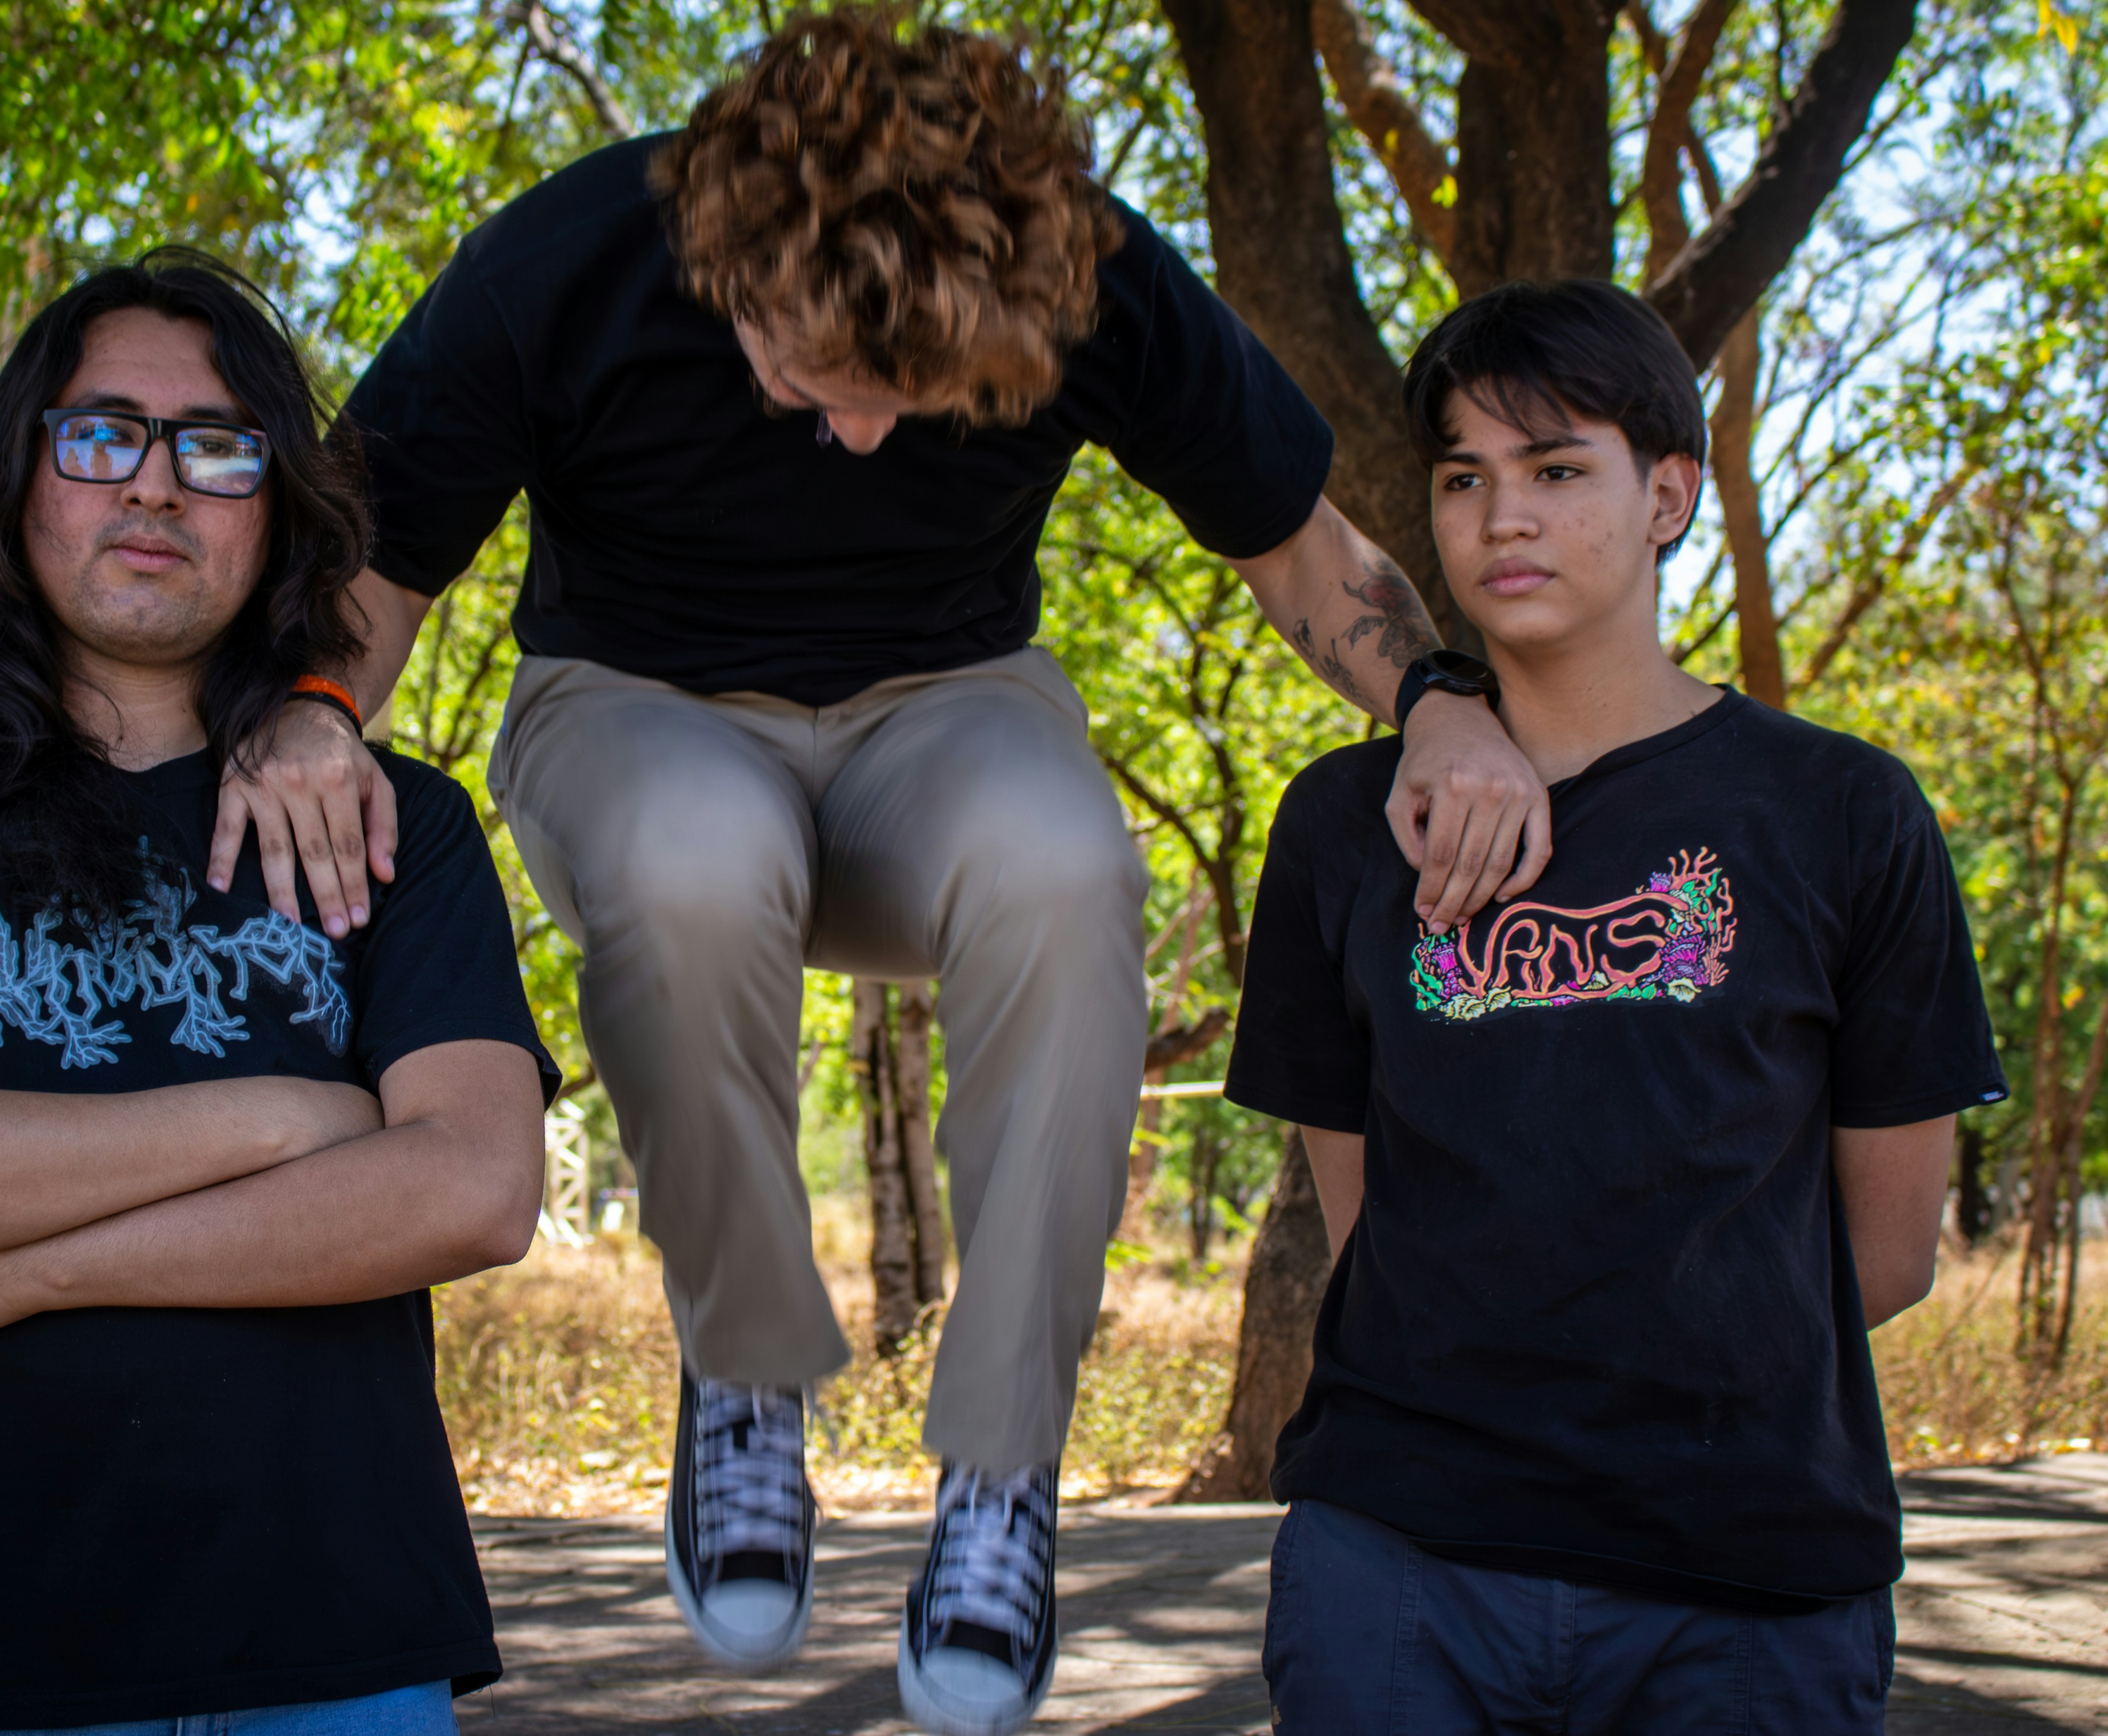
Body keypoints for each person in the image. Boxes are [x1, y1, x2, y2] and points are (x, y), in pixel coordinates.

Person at [215, 12, 1554, 1734]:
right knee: (703, 851)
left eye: (908, 402)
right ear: (723, 252)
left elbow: (1299, 550)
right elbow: (374, 583)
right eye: (808, 376)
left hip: (946, 712)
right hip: (638, 705)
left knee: (1075, 862)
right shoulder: (566, 262)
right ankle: (748, 1370)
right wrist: (316, 711)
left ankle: (1002, 1484)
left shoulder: (1094, 273)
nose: (855, 439)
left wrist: (1442, 706)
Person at [0, 251, 561, 1736]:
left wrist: (19, 1269)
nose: (156, 486)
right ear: (22, 478)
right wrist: (287, 1120)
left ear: (278, 506)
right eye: (103, 434)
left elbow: (474, 1191)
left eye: (219, 448)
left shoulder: (395, 823)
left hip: (335, 1644)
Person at [1224, 278, 2009, 1733]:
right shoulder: (1344, 827)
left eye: (1557, 468)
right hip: (1398, 1568)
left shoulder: (1843, 813)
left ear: (1670, 493)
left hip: (1749, 1583)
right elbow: (1366, 1230)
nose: (1501, 517)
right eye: (1464, 478)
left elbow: (1889, 1253)